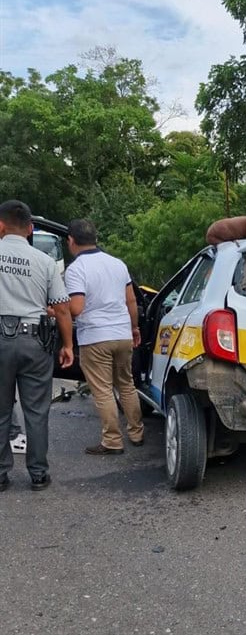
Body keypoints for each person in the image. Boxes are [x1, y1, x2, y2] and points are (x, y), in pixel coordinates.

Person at [0, 200, 74, 492]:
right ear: (30, 228)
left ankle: (1, 474)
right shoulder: (44, 262)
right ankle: (39, 474)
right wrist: (67, 345)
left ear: (1, 226)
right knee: (36, 411)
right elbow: (63, 308)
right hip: (35, 341)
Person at [64, 219, 144, 454]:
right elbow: (131, 300)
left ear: (71, 241)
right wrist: (134, 328)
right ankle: (137, 433)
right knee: (127, 385)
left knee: (103, 390)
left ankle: (112, 441)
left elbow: (76, 308)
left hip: (96, 337)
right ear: (95, 239)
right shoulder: (117, 264)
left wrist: (55, 310)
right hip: (122, 334)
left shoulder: (76, 269)